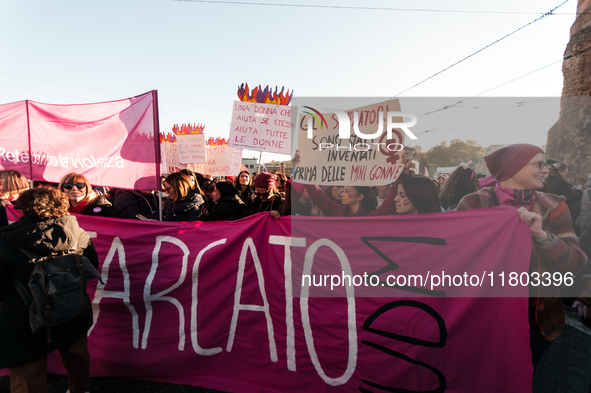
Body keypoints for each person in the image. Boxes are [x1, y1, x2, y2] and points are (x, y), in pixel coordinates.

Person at [456, 144, 587, 370]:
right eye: (539, 165)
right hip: (482, 312)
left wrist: (543, 237)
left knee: (521, 374)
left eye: (544, 165)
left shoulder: (554, 206)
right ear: (513, 168)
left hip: (535, 316)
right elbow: (454, 258)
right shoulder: (473, 203)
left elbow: (575, 262)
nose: (546, 170)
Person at [0, 187, 99, 393]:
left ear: (24, 208)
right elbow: (92, 264)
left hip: (25, 317)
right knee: (76, 356)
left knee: (28, 372)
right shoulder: (77, 232)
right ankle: (81, 389)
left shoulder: (7, 241)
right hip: (71, 306)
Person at [303, 150, 414, 217]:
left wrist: (404, 170)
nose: (342, 193)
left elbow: (391, 200)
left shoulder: (374, 216)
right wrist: (303, 169)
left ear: (360, 196)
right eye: (343, 190)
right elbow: (318, 196)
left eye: (347, 191)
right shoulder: (337, 211)